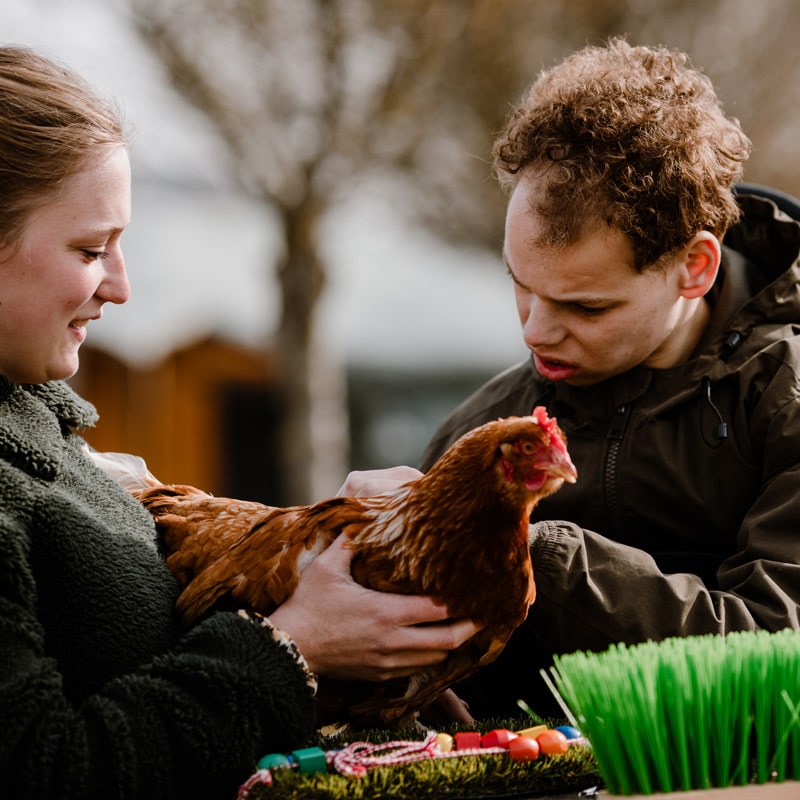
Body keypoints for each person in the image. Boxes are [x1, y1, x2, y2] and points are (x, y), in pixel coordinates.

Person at [0, 45, 477, 800]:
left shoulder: (41, 433)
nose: (120, 287)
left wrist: (322, 549)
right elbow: (46, 770)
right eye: (92, 249)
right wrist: (295, 645)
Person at [347, 37, 800, 720]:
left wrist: (540, 560)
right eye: (520, 286)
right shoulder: (482, 433)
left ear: (696, 268)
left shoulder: (786, 403)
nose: (534, 330)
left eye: (585, 306)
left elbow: (778, 665)